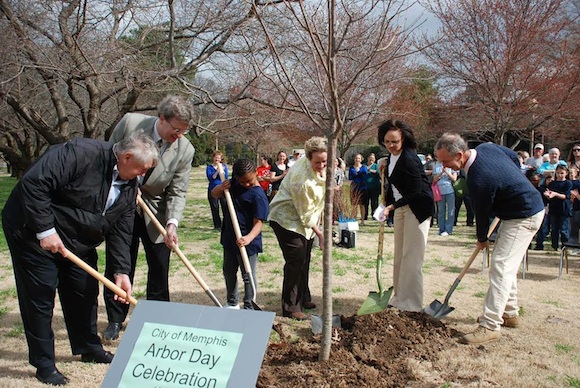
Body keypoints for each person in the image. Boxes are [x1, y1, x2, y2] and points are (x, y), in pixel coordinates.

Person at [2, 133, 159, 385]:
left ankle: (89, 347)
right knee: (41, 294)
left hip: (78, 238)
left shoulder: (130, 187)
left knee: (84, 290)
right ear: (127, 157)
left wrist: (120, 272)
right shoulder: (79, 153)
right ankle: (44, 363)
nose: (143, 175)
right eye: (142, 168)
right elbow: (34, 183)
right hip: (31, 230)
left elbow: (121, 229)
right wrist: (45, 230)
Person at [434, 133, 544, 345]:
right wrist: (508, 184)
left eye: (446, 162)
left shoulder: (478, 178)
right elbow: (512, 158)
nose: (445, 166)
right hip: (515, 211)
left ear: (459, 155)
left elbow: (481, 214)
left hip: (524, 214)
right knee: (506, 264)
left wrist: (482, 238)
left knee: (501, 265)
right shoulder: (488, 148)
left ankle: (490, 324)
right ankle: (509, 313)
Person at [103, 95, 195, 341]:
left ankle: (158, 319)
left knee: (159, 266)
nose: (179, 136)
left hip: (156, 210)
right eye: (176, 130)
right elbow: (107, 158)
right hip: (122, 206)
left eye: (184, 131)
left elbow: (178, 190)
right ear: (161, 118)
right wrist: (123, 188)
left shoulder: (185, 149)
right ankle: (115, 319)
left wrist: (172, 223)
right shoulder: (130, 124)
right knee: (120, 264)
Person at [268, 137, 327, 320]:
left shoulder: (320, 166)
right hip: (286, 219)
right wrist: (320, 234)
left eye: (325, 161)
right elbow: (306, 214)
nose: (322, 165)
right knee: (296, 260)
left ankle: (303, 297)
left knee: (305, 257)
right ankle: (291, 307)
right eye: (317, 162)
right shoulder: (301, 180)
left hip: (306, 220)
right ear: (308, 158)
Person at [378, 120, 434, 312]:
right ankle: (399, 297)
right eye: (387, 141)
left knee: (412, 258)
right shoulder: (391, 157)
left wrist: (390, 207)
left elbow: (416, 191)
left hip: (417, 210)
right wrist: (386, 204)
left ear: (404, 139)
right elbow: (394, 185)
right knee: (400, 255)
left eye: (395, 141)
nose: (391, 145)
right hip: (401, 208)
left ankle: (412, 304)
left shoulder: (409, 158)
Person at [211, 158, 269, 309]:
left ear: (256, 172)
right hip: (230, 238)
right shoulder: (233, 185)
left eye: (249, 180)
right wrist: (221, 188)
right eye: (242, 181)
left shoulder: (258, 195)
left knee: (248, 275)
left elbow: (259, 223)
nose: (246, 184)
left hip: (248, 242)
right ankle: (232, 302)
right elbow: (214, 194)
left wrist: (248, 238)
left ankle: (250, 305)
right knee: (229, 272)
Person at [544, 165, 572, 251]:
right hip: (554, 209)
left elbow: (565, 196)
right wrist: (548, 195)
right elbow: (549, 195)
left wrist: (555, 194)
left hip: (564, 209)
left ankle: (565, 246)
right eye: (558, 173)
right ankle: (554, 246)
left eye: (562, 173)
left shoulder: (568, 183)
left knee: (564, 230)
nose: (560, 175)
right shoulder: (552, 183)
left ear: (566, 173)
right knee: (554, 229)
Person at [432, 160, 457, 236]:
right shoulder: (436, 166)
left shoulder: (451, 165)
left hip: (450, 190)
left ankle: (448, 229)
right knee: (441, 211)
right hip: (440, 191)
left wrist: (447, 172)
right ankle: (441, 229)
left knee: (451, 211)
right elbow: (434, 179)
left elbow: (454, 178)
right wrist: (441, 172)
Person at [206, 150, 228, 229]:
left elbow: (226, 177)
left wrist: (222, 169)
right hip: (213, 189)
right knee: (215, 208)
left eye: (219, 158)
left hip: (223, 189)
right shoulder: (209, 167)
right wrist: (217, 171)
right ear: (213, 158)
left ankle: (226, 225)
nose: (217, 159)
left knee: (225, 207)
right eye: (216, 158)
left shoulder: (224, 166)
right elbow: (211, 178)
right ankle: (217, 225)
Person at [348, 154, 368, 225]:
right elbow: (350, 177)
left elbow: (365, 176)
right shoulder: (351, 168)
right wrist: (358, 174)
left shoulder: (364, 167)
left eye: (359, 158)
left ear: (361, 159)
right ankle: (354, 219)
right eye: (356, 158)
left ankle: (362, 220)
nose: (357, 160)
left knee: (362, 205)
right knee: (354, 204)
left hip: (362, 187)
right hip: (354, 187)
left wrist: (357, 173)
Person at [365, 153, 381, 221]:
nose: (371, 159)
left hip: (375, 187)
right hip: (365, 187)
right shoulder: (364, 166)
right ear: (368, 158)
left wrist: (372, 171)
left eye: (373, 158)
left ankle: (374, 215)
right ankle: (365, 215)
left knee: (374, 202)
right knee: (365, 202)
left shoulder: (376, 166)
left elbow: (379, 173)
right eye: (370, 158)